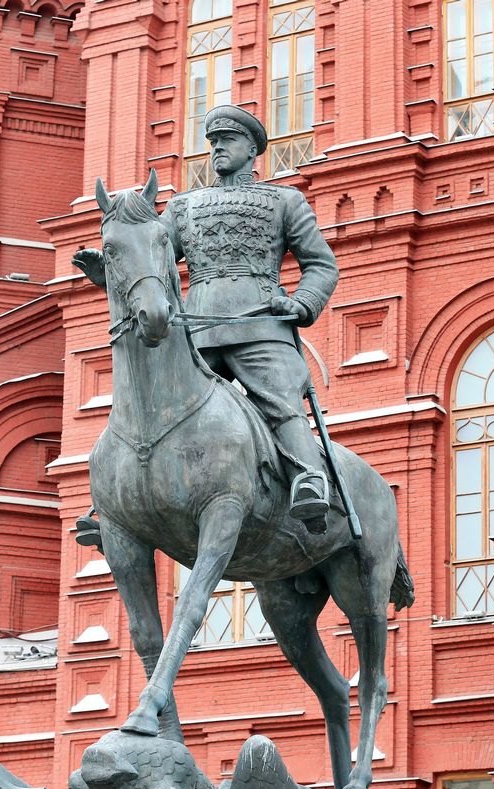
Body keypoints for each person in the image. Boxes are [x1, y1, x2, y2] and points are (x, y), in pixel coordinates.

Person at [74, 104, 339, 533]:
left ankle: (309, 480)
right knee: (148, 400)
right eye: (212, 142)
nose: (216, 148)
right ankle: (113, 504)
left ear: (251, 148)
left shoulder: (284, 201)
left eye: (227, 141)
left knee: (281, 398)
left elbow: (322, 265)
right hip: (195, 331)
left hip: (260, 325)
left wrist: (302, 303)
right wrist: (107, 275)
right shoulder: (183, 208)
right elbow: (151, 265)